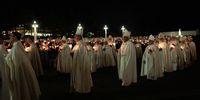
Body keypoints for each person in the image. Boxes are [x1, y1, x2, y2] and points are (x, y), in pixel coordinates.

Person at [5, 32, 41, 100]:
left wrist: (6, 59)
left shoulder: (16, 48)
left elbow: (15, 61)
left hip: (18, 71)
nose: (10, 38)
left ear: (15, 37)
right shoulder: (18, 46)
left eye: (11, 36)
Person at [70, 25, 93, 93]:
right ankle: (76, 87)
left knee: (80, 76)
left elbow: (82, 56)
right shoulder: (77, 45)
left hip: (80, 65)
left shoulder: (82, 45)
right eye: (75, 36)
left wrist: (73, 54)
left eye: (76, 36)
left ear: (80, 37)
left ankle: (80, 87)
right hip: (76, 64)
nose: (75, 37)